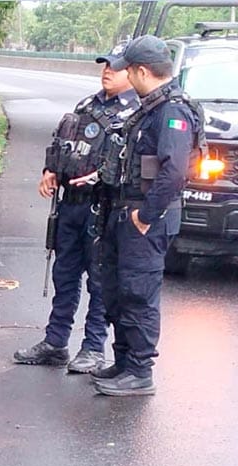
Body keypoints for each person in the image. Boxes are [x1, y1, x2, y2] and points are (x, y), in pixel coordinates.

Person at [14, 44, 140, 373]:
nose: (107, 71)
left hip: (102, 209)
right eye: (104, 65)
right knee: (64, 275)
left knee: (99, 282)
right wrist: (50, 171)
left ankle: (93, 347)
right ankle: (56, 342)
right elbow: (63, 144)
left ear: (132, 72)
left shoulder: (135, 113)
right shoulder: (86, 105)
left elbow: (130, 165)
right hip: (70, 205)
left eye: (115, 67)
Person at [92, 35, 205, 396]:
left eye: (129, 71)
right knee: (117, 289)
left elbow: (174, 172)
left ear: (142, 71)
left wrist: (145, 215)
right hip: (125, 214)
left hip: (146, 219)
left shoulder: (171, 111)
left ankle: (140, 371)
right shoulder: (149, 107)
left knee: (138, 292)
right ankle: (124, 361)